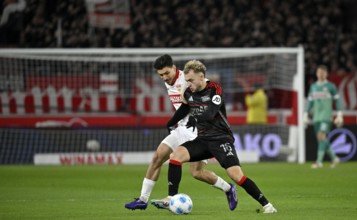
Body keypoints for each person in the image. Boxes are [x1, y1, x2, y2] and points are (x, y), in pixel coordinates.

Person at [125, 54, 237, 211]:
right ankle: (143, 200)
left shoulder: (186, 79)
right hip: (182, 128)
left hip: (199, 130)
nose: (164, 77)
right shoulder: (168, 81)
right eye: (161, 75)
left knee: (197, 173)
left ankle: (228, 188)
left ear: (174, 68)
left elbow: (202, 97)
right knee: (158, 156)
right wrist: (172, 122)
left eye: (166, 73)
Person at [165, 60, 277, 213]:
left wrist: (194, 118)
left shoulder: (215, 89)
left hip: (221, 139)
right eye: (187, 81)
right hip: (203, 140)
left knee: (236, 175)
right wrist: (171, 122)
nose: (188, 84)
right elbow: (185, 107)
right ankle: (172, 199)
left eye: (191, 80)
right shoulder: (189, 92)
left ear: (201, 77)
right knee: (175, 156)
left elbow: (210, 113)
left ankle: (267, 205)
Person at [304, 65, 343, 169]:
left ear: (326, 74)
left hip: (326, 117)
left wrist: (339, 115)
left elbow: (337, 101)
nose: (321, 74)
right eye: (319, 72)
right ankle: (334, 158)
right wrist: (305, 114)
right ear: (317, 73)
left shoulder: (331, 86)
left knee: (321, 136)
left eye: (323, 72)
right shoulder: (313, 87)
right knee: (321, 140)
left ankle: (319, 162)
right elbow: (310, 102)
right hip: (316, 117)